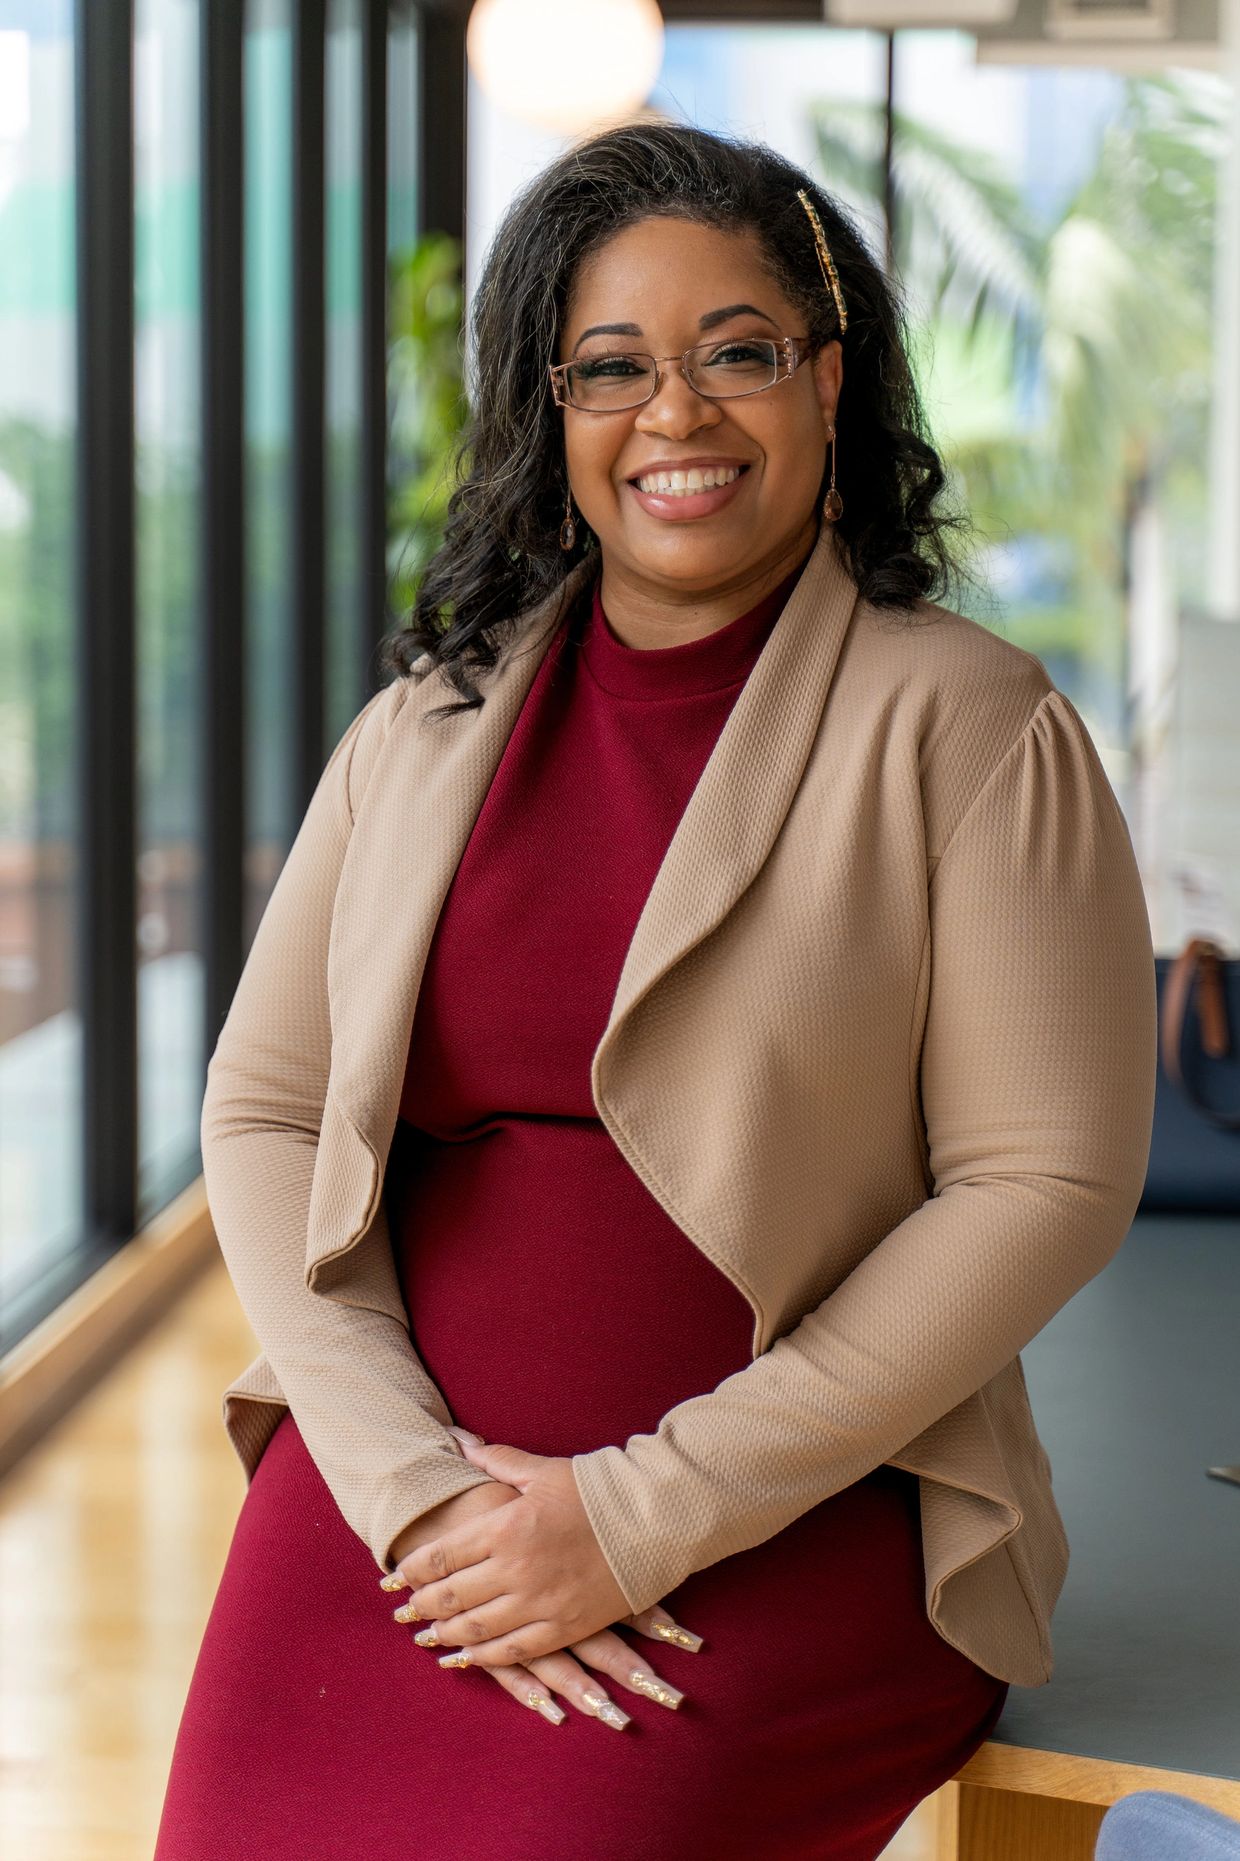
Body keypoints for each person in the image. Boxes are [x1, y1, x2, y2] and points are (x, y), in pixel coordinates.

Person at [154, 121, 1157, 1859]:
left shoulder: (974, 727)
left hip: (797, 1513)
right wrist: (414, 1492)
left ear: (830, 382)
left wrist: (639, 1512)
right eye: (611, 367)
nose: (676, 414)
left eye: (739, 354)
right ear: (552, 418)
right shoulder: (427, 723)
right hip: (402, 1496)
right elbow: (266, 1104)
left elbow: (1045, 1184)